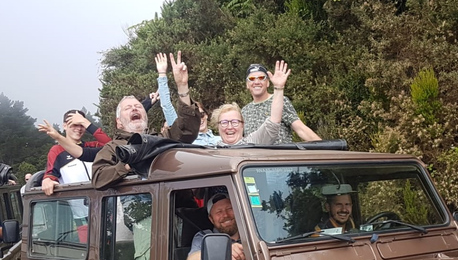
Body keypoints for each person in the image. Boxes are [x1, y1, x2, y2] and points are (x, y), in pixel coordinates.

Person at [91, 51, 201, 190]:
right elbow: (98, 179)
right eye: (128, 108)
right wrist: (129, 163)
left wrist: (182, 86)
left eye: (138, 106)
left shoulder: (161, 140)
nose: (135, 109)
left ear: (146, 115)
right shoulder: (112, 148)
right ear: (119, 121)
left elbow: (187, 130)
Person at [211, 61, 292, 146]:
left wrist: (279, 87)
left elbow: (273, 122)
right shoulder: (211, 149)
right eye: (224, 122)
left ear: (242, 125)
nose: (230, 127)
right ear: (218, 126)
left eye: (235, 122)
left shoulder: (251, 142)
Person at [241, 62, 321, 143]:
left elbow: (300, 129)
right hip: (254, 155)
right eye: (251, 79)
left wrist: (324, 146)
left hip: (280, 155)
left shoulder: (280, 100)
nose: (257, 82)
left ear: (268, 82)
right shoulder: (244, 111)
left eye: (261, 78)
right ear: (247, 84)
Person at [37, 110, 112, 195]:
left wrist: (87, 123)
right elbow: (51, 174)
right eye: (75, 125)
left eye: (82, 125)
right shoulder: (57, 150)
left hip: (104, 200)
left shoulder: (92, 146)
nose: (79, 129)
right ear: (65, 126)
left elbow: (111, 146)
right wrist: (47, 180)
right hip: (77, 204)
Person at [186, 193, 246, 260]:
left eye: (229, 209)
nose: (225, 215)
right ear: (211, 219)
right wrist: (224, 251)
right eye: (219, 212)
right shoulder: (204, 236)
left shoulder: (250, 234)